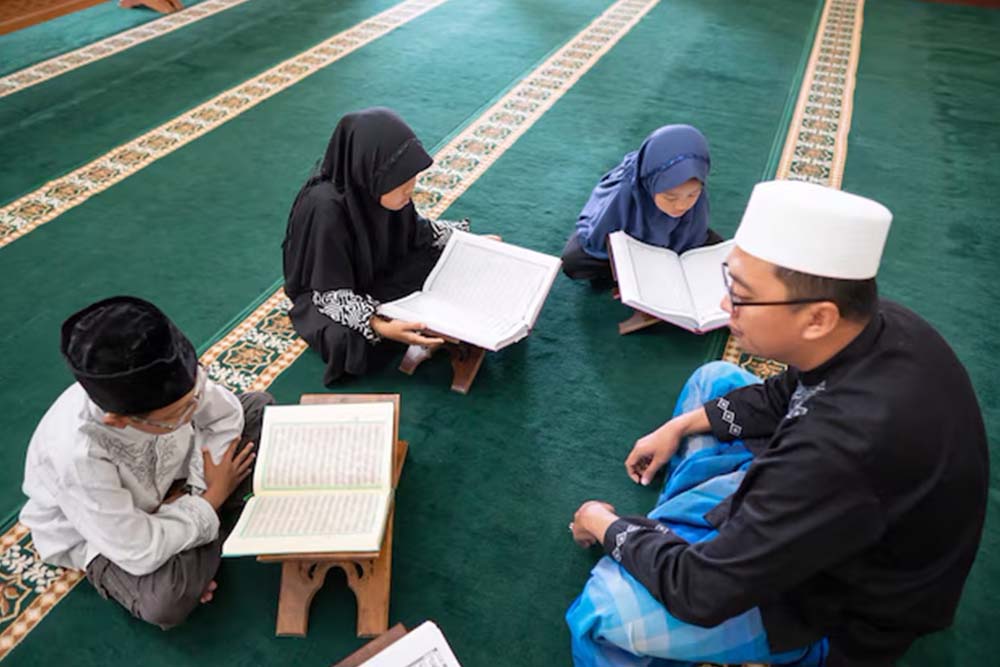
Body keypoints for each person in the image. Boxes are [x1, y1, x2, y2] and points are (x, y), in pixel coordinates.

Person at [566, 181, 988, 666]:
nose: (726, 307)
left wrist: (606, 525)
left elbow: (701, 594)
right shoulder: (874, 322)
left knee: (603, 609)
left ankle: (684, 550)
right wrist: (677, 428)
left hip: (835, 605)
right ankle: (684, 540)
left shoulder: (838, 449)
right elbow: (784, 394)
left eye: (741, 296)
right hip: (824, 515)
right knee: (714, 382)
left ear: (817, 318)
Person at [20, 296, 274, 629]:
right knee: (167, 600)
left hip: (180, 485)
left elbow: (225, 415)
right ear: (118, 421)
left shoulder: (181, 390)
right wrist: (214, 497)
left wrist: (200, 487)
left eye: (194, 398)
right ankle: (217, 524)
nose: (192, 411)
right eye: (176, 415)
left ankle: (199, 544)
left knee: (259, 409)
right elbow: (139, 550)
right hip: (109, 535)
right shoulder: (77, 456)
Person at [283, 107, 488, 384]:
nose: (410, 188)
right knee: (348, 344)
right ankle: (393, 323)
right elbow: (329, 293)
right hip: (329, 290)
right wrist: (381, 326)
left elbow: (418, 232)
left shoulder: (382, 189)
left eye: (412, 178)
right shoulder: (326, 208)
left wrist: (466, 241)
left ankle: (402, 317)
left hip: (376, 275)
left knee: (443, 258)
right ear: (371, 172)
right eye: (402, 181)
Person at [561, 124, 721, 283]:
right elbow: (601, 236)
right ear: (650, 183)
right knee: (574, 260)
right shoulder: (624, 191)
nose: (681, 206)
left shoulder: (692, 181)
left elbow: (695, 235)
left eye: (693, 195)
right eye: (670, 198)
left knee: (722, 257)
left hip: (678, 238)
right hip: (629, 243)